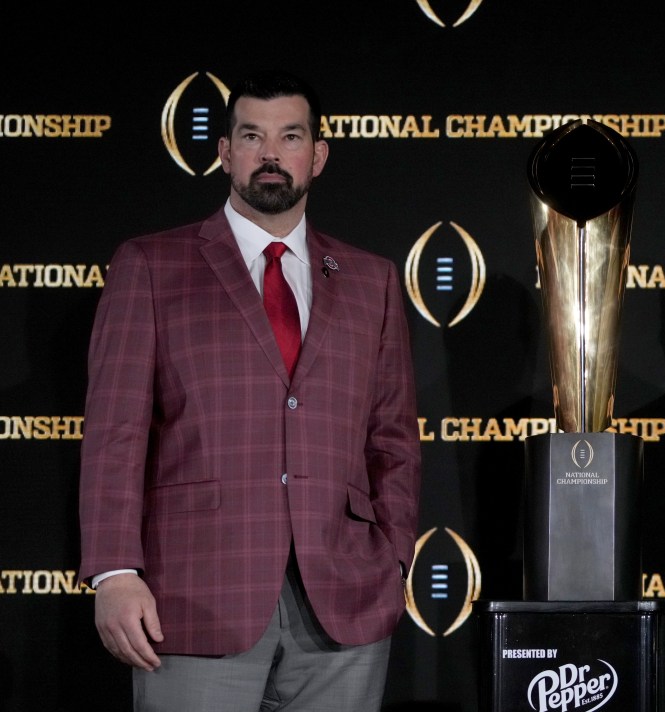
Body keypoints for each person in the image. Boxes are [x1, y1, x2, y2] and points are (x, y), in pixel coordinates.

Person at [78, 69, 422, 711]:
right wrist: (115, 571)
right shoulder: (151, 265)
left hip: (344, 603)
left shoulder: (372, 280)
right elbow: (115, 432)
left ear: (316, 156)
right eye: (251, 136)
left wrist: (393, 560)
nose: (270, 154)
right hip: (195, 599)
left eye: (290, 137)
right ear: (224, 152)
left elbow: (393, 439)